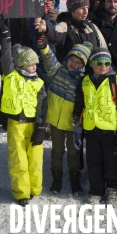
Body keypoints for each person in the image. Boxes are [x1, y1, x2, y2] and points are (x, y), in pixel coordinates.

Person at [72, 48, 117, 204]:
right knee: (94, 162)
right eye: (99, 63)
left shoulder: (116, 81)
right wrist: (77, 128)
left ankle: (113, 189)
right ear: (92, 64)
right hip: (91, 130)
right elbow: (79, 106)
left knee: (111, 162)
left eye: (107, 63)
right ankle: (96, 190)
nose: (103, 66)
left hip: (110, 131)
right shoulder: (84, 82)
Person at [0, 18, 46, 206]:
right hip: (17, 124)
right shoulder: (11, 75)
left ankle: (35, 188)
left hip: (34, 125)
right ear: (19, 65)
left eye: (35, 63)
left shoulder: (39, 82)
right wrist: (5, 37)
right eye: (29, 64)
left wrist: (41, 127)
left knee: (35, 159)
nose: (34, 67)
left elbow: (43, 106)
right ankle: (22, 193)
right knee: (18, 160)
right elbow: (6, 57)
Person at [38, 38, 92, 196]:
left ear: (83, 65)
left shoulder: (83, 81)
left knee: (74, 152)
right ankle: (57, 177)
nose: (73, 64)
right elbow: (49, 59)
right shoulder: (57, 71)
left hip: (73, 124)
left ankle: (75, 178)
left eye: (78, 62)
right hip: (55, 121)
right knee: (57, 151)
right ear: (67, 58)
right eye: (72, 60)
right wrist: (44, 46)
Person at [36, 0, 107, 61]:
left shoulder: (92, 27)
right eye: (82, 8)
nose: (86, 12)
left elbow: (104, 50)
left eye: (87, 7)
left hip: (93, 71)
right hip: (71, 71)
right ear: (72, 11)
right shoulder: (65, 26)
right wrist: (46, 29)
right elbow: (54, 34)